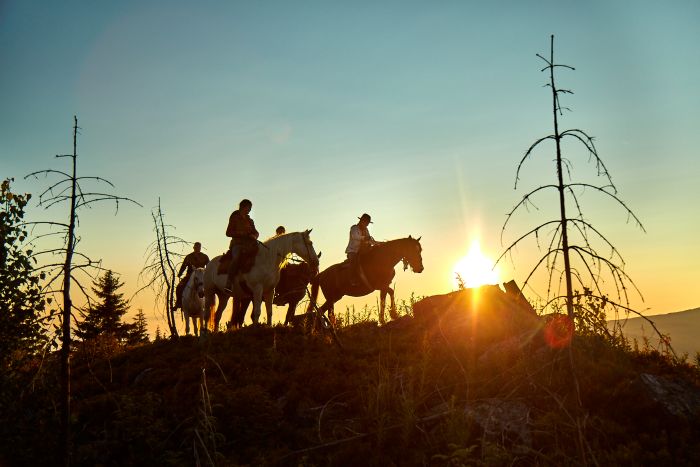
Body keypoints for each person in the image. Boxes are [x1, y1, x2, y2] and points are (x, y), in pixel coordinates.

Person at [224, 199, 259, 294]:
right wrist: (243, 233)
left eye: (251, 208)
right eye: (249, 208)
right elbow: (228, 233)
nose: (250, 210)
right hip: (237, 244)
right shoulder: (235, 217)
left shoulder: (250, 220)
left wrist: (254, 236)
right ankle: (229, 282)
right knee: (236, 258)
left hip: (250, 245)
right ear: (243, 207)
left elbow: (256, 232)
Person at [173, 242, 210, 310]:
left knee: (210, 287)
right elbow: (184, 265)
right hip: (189, 276)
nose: (197, 248)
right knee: (179, 287)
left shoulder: (205, 257)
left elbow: (209, 266)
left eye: (198, 247)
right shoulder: (189, 257)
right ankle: (178, 303)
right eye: (196, 247)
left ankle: (208, 303)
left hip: (201, 277)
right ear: (193, 247)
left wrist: (208, 275)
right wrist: (180, 273)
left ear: (200, 248)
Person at [345, 213, 377, 285]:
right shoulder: (354, 228)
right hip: (352, 251)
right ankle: (352, 279)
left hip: (363, 250)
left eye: (368, 223)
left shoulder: (366, 230)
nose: (367, 225)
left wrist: (378, 243)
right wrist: (365, 238)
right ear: (362, 221)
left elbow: (370, 240)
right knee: (353, 261)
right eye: (366, 223)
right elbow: (355, 236)